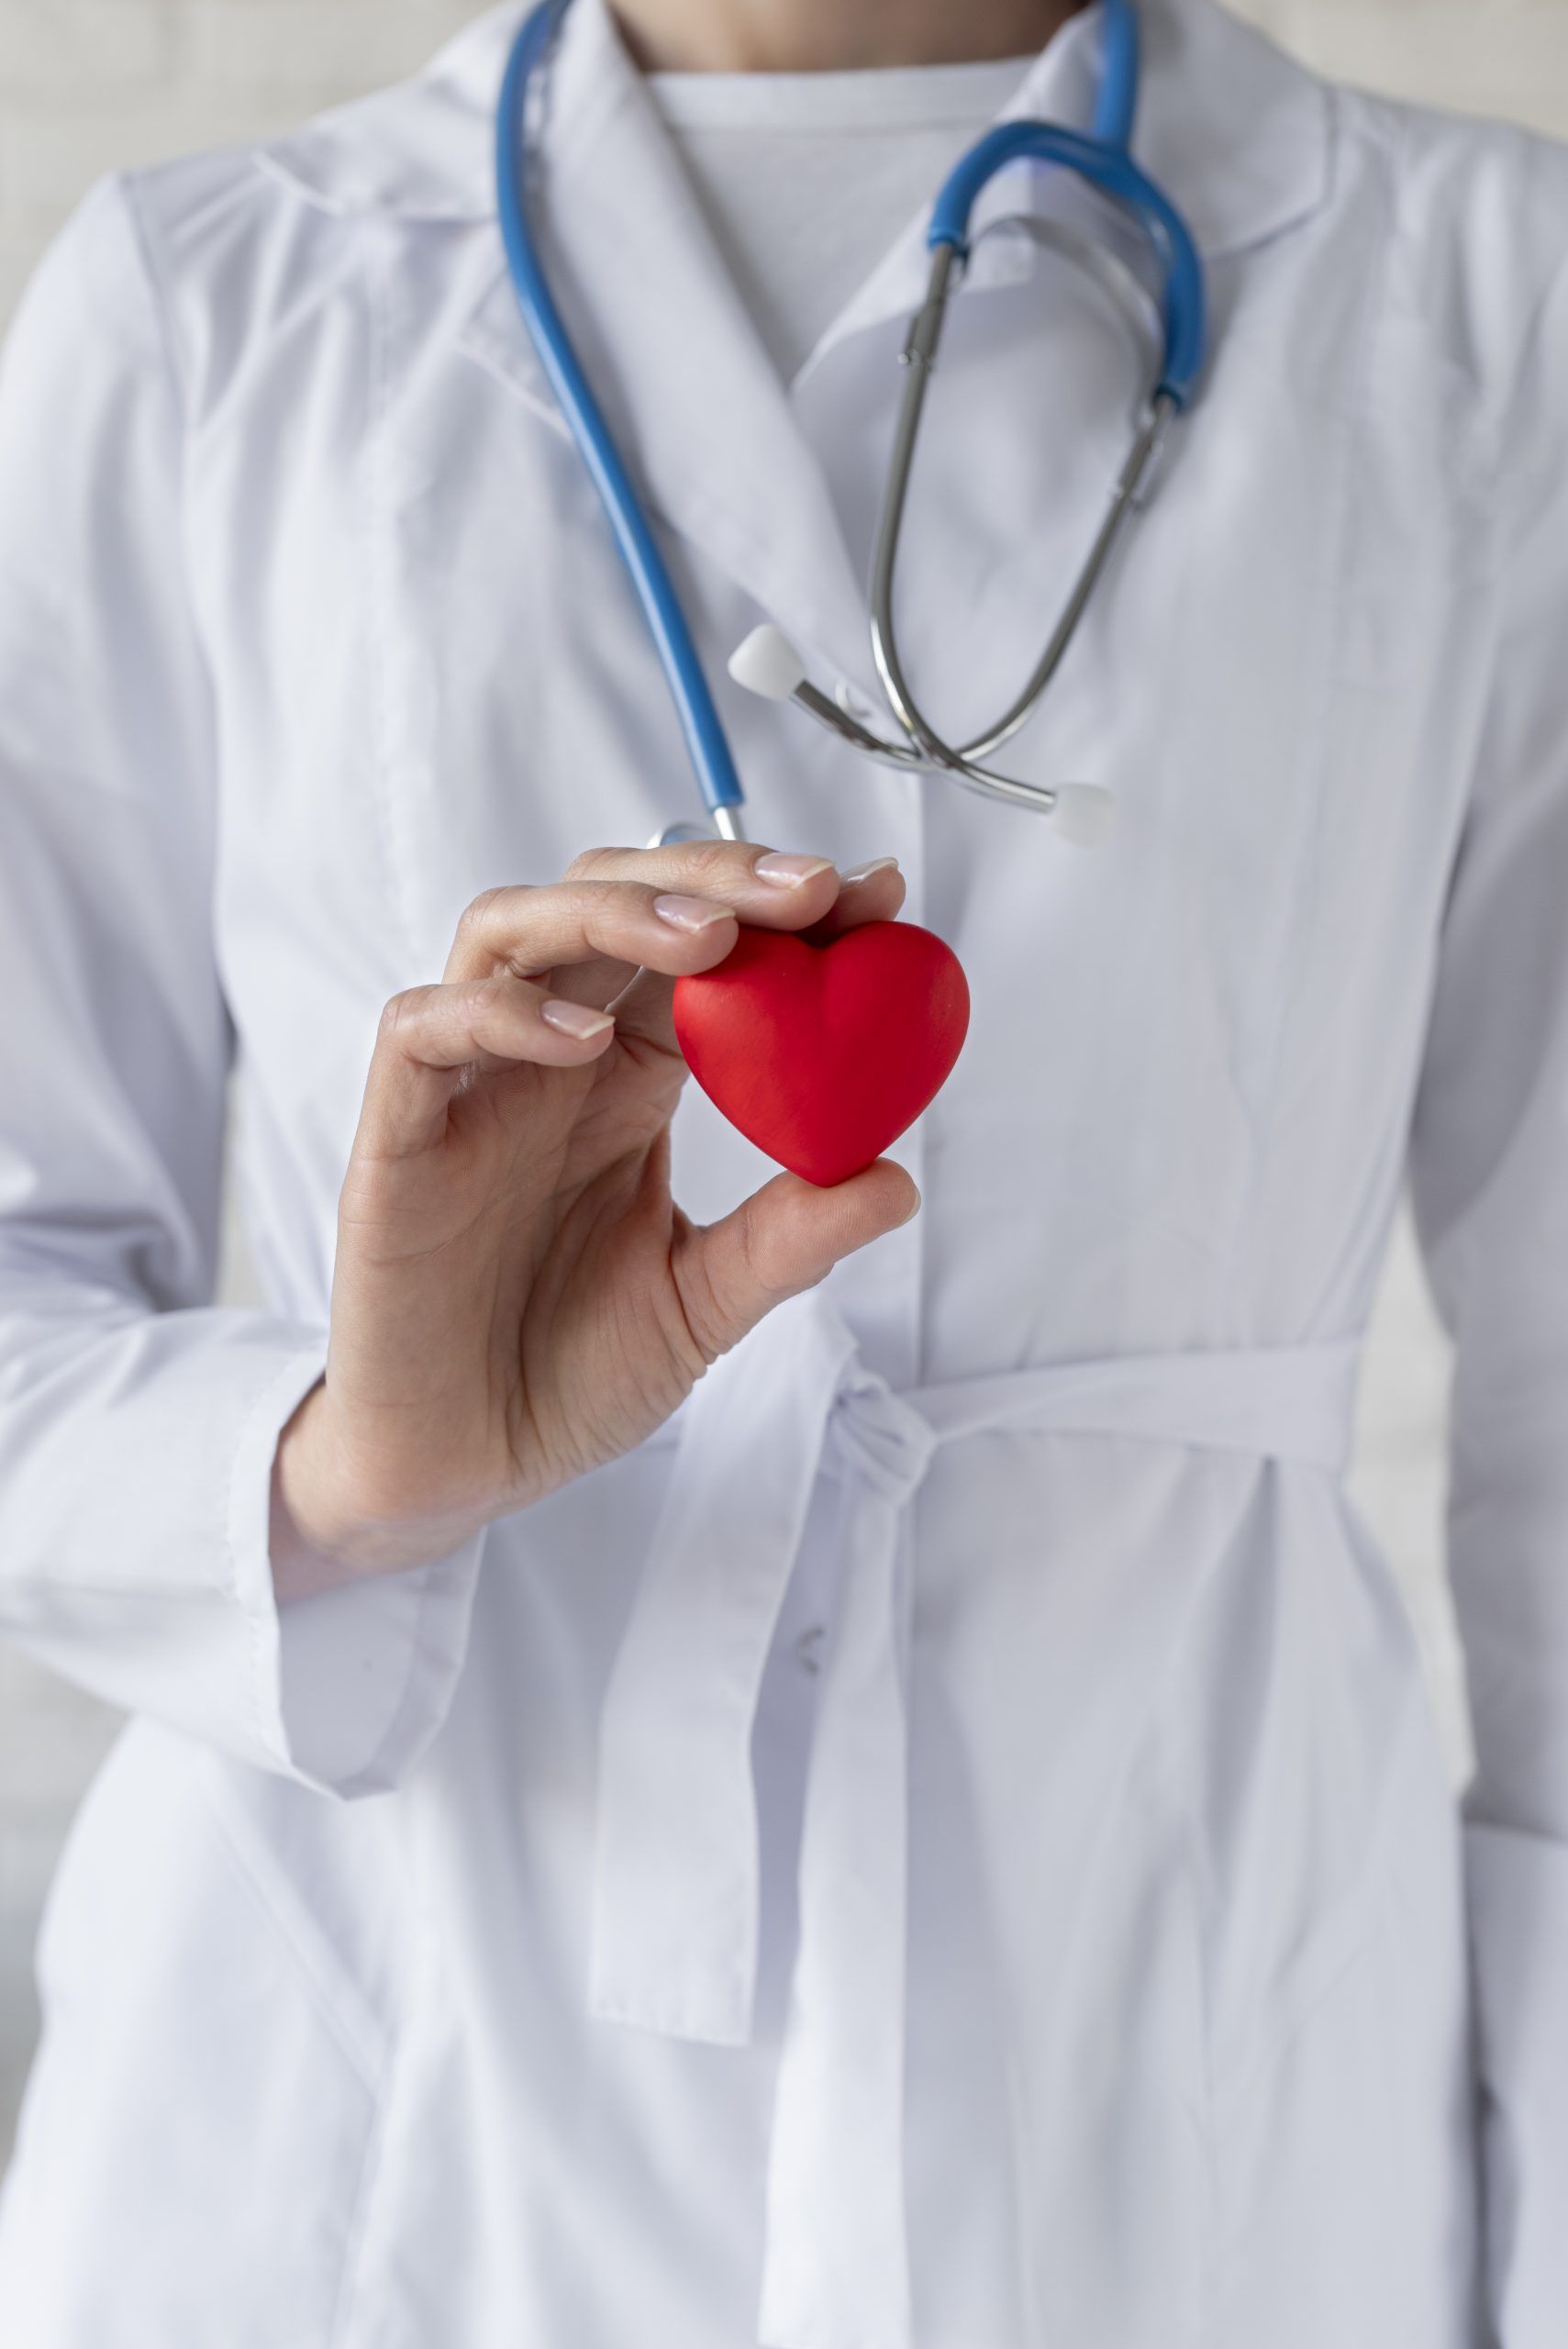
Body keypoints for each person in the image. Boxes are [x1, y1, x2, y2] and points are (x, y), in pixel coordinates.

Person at [0, 0, 1565, 2340]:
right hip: (364, 2134)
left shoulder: (1486, 292)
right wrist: (347, 1462)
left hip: (1205, 2074)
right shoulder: (216, 293)